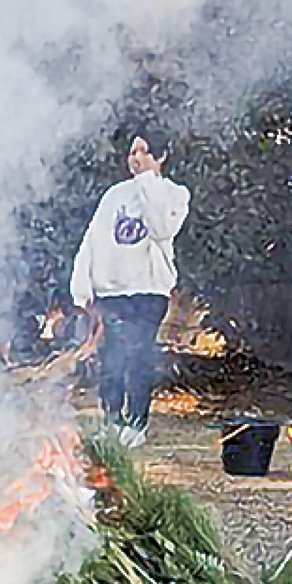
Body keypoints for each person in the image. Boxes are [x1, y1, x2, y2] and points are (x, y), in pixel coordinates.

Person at [69, 128, 190, 447]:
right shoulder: (114, 195)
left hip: (149, 292)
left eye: (143, 152)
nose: (135, 158)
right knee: (111, 359)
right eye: (132, 152)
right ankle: (112, 421)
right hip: (111, 293)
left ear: (160, 157)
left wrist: (148, 181)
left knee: (138, 356)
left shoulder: (175, 194)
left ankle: (136, 425)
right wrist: (81, 287)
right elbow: (92, 240)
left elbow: (162, 227)